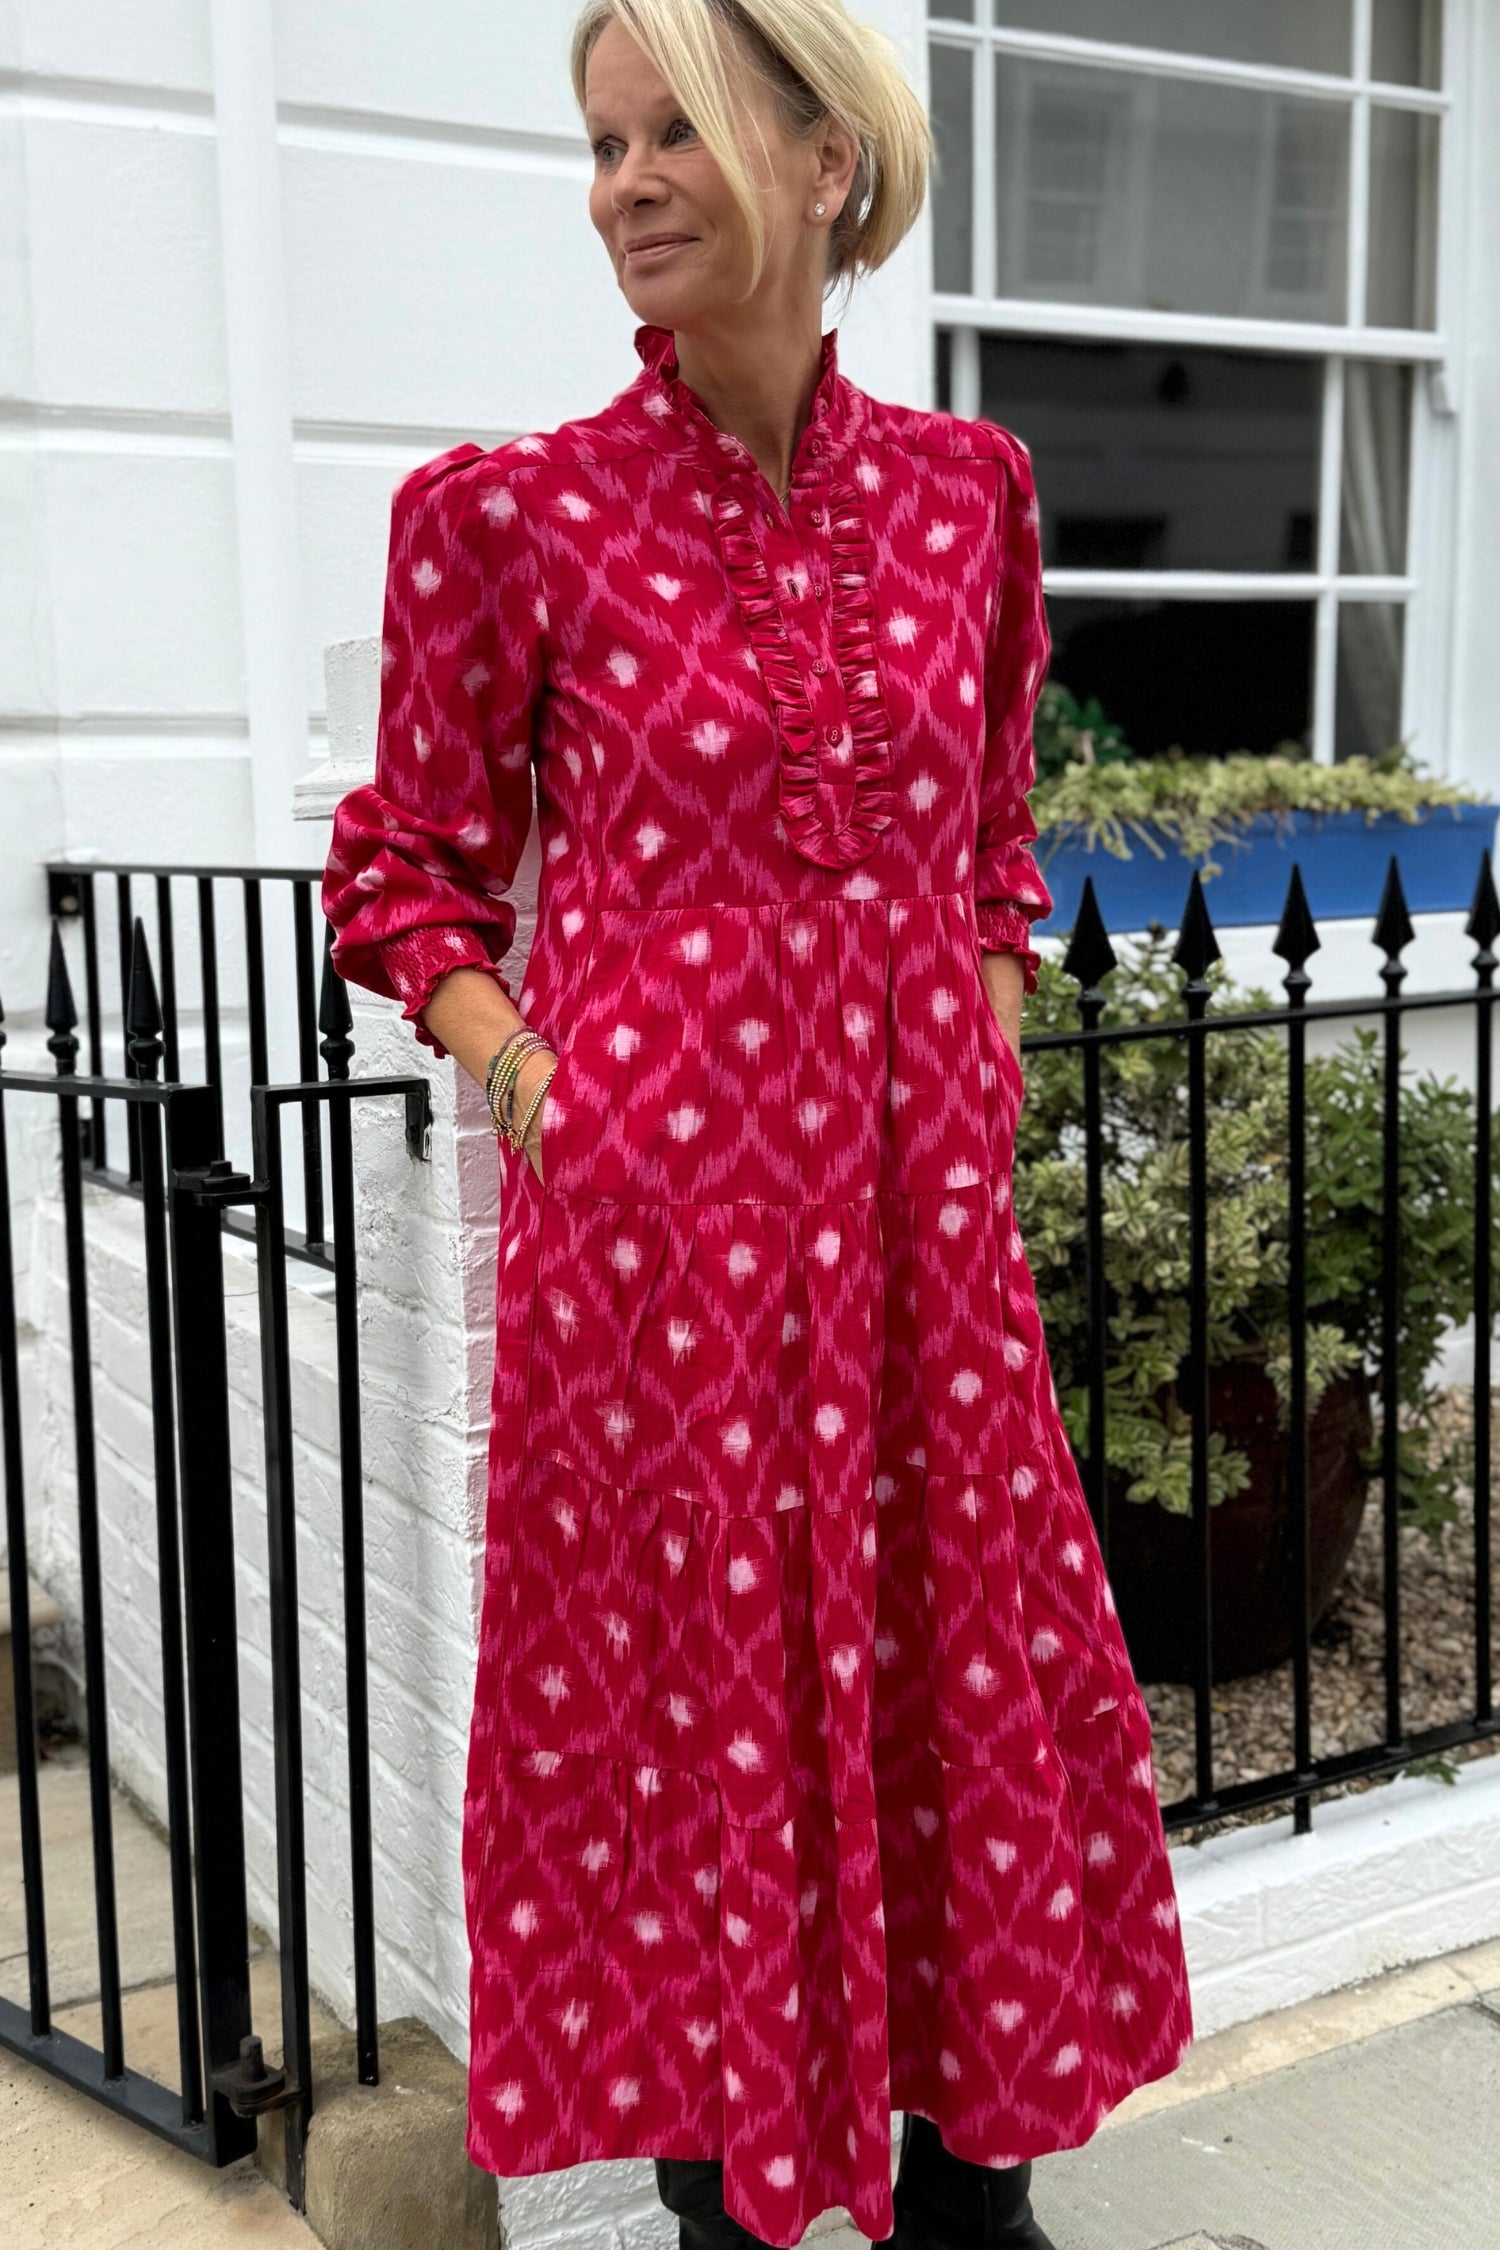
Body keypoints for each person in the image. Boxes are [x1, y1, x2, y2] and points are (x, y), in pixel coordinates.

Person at [322, 2, 1194, 2244]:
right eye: (602, 143)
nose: (622, 184)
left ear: (825, 162)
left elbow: (993, 842)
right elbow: (403, 872)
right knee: (702, 1752)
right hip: (660, 1287)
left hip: (921, 1267)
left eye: (673, 134)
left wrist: (980, 1050)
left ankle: (978, 2209)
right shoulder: (509, 521)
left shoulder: (970, 498)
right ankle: (732, 2208)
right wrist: (539, 1084)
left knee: (952, 1712)